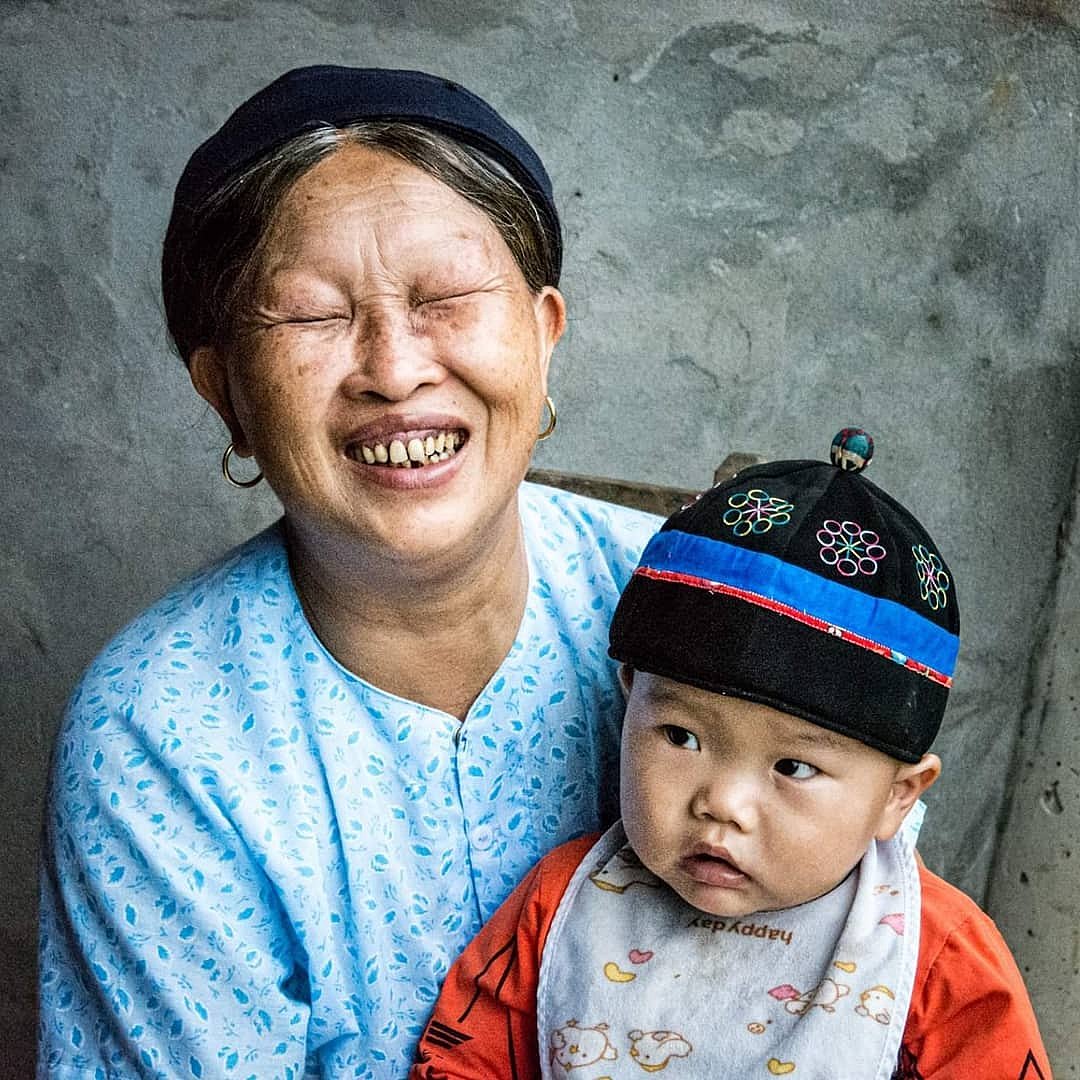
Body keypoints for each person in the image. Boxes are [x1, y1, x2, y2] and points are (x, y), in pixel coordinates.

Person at [37, 66, 662, 1079]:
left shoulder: (701, 602)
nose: (394, 368)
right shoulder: (157, 735)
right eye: (313, 317)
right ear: (227, 393)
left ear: (544, 336)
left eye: (448, 297)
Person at [411, 430, 1052, 1079]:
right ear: (630, 700)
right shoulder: (563, 903)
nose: (722, 803)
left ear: (897, 797)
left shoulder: (936, 958)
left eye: (794, 767)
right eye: (682, 737)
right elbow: (462, 1061)